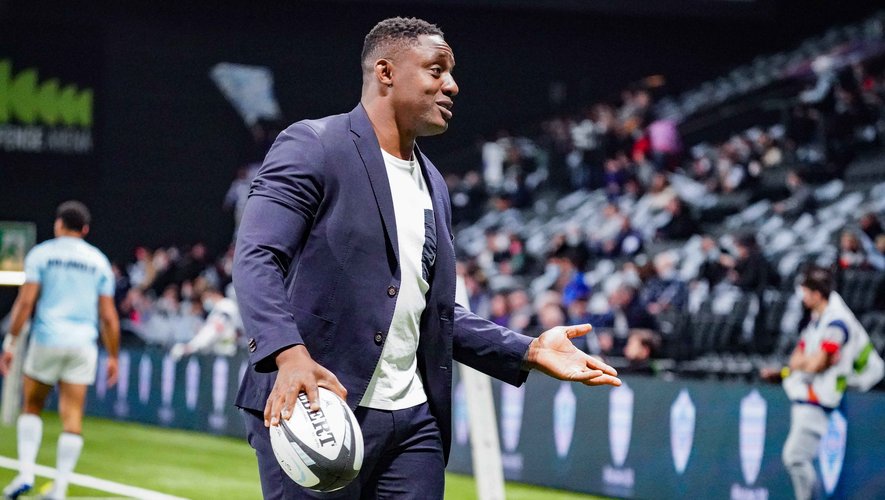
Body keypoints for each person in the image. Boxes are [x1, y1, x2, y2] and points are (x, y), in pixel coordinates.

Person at [232, 17, 620, 500]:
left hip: (413, 422)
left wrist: (527, 351)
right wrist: (288, 355)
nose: (452, 85)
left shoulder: (433, 181)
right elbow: (256, 256)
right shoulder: (314, 145)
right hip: (317, 405)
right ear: (386, 72)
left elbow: (433, 312)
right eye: (436, 70)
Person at [0, 201, 120, 500]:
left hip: (47, 338)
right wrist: (113, 355)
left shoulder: (42, 254)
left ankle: (26, 473)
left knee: (32, 405)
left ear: (58, 224)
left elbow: (25, 303)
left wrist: (10, 342)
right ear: (85, 229)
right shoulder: (99, 261)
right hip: (82, 345)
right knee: (73, 416)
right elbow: (108, 316)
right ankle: (60, 488)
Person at [775, 267, 864, 500]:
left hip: (818, 398)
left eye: (806, 292)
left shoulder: (836, 322)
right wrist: (809, 361)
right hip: (806, 395)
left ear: (817, 294)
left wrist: (809, 362)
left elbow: (817, 365)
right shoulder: (817, 321)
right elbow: (796, 359)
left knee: (795, 457)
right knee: (796, 457)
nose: (803, 297)